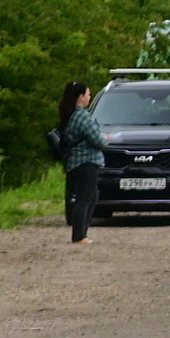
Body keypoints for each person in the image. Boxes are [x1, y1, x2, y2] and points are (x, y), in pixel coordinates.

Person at [55, 80, 106, 244]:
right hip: (86, 163)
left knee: (88, 198)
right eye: (88, 94)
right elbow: (98, 140)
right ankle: (79, 236)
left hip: (74, 163)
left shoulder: (69, 115)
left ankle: (82, 234)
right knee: (85, 200)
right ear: (81, 96)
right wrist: (107, 138)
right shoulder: (82, 116)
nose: (89, 97)